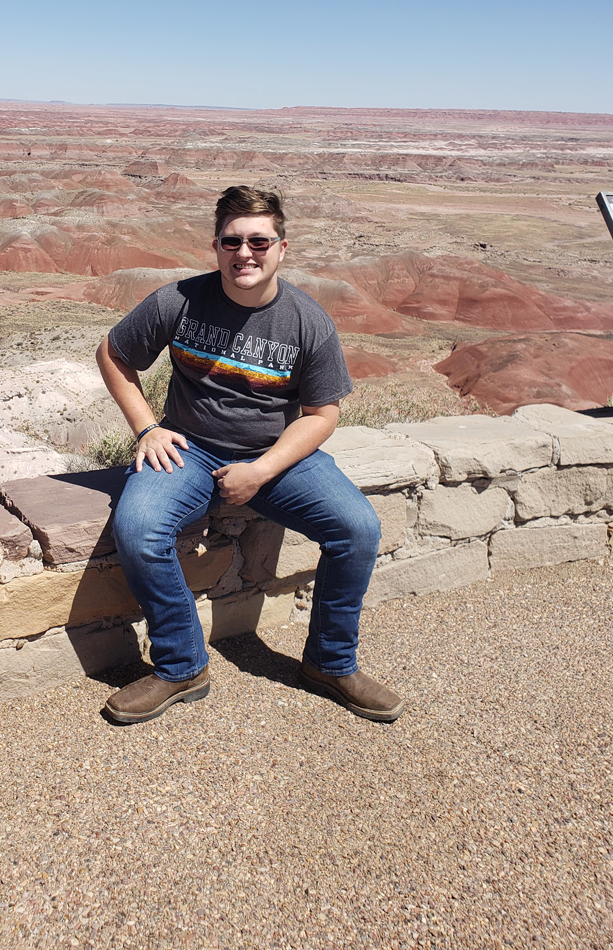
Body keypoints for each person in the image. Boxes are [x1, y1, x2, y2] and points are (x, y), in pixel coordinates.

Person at [95, 185, 404, 726]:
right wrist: (146, 428)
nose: (245, 254)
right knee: (140, 527)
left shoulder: (308, 322)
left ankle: (330, 664)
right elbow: (113, 353)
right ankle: (181, 667)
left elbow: (322, 415)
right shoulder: (179, 301)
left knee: (357, 528)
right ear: (215, 247)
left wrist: (261, 471)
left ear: (282, 248)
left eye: (259, 242)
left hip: (277, 455)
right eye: (232, 241)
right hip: (188, 448)